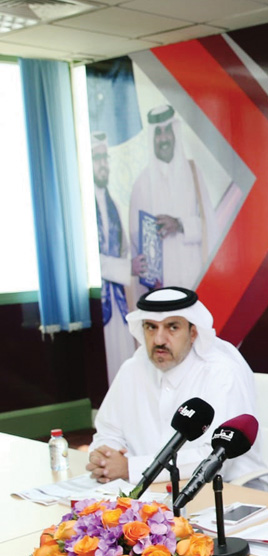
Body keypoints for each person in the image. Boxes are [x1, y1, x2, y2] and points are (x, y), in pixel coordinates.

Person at [86, 286, 266, 485]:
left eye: (173, 327)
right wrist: (105, 460)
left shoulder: (221, 373)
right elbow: (108, 432)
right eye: (151, 327)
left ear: (193, 332)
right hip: (147, 490)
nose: (159, 339)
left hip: (224, 490)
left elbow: (217, 457)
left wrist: (129, 468)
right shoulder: (132, 369)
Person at [128, 105, 214, 294]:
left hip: (195, 282)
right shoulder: (141, 184)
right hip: (161, 290)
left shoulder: (194, 174)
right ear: (152, 138)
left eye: (168, 131)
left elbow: (210, 227)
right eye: (158, 133)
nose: (164, 138)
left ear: (175, 133)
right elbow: (135, 241)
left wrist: (180, 224)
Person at [91, 132, 139, 381]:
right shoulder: (84, 205)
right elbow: (90, 257)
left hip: (117, 297)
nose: (103, 165)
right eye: (97, 158)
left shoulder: (113, 203)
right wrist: (125, 266)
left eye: (105, 158)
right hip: (96, 302)